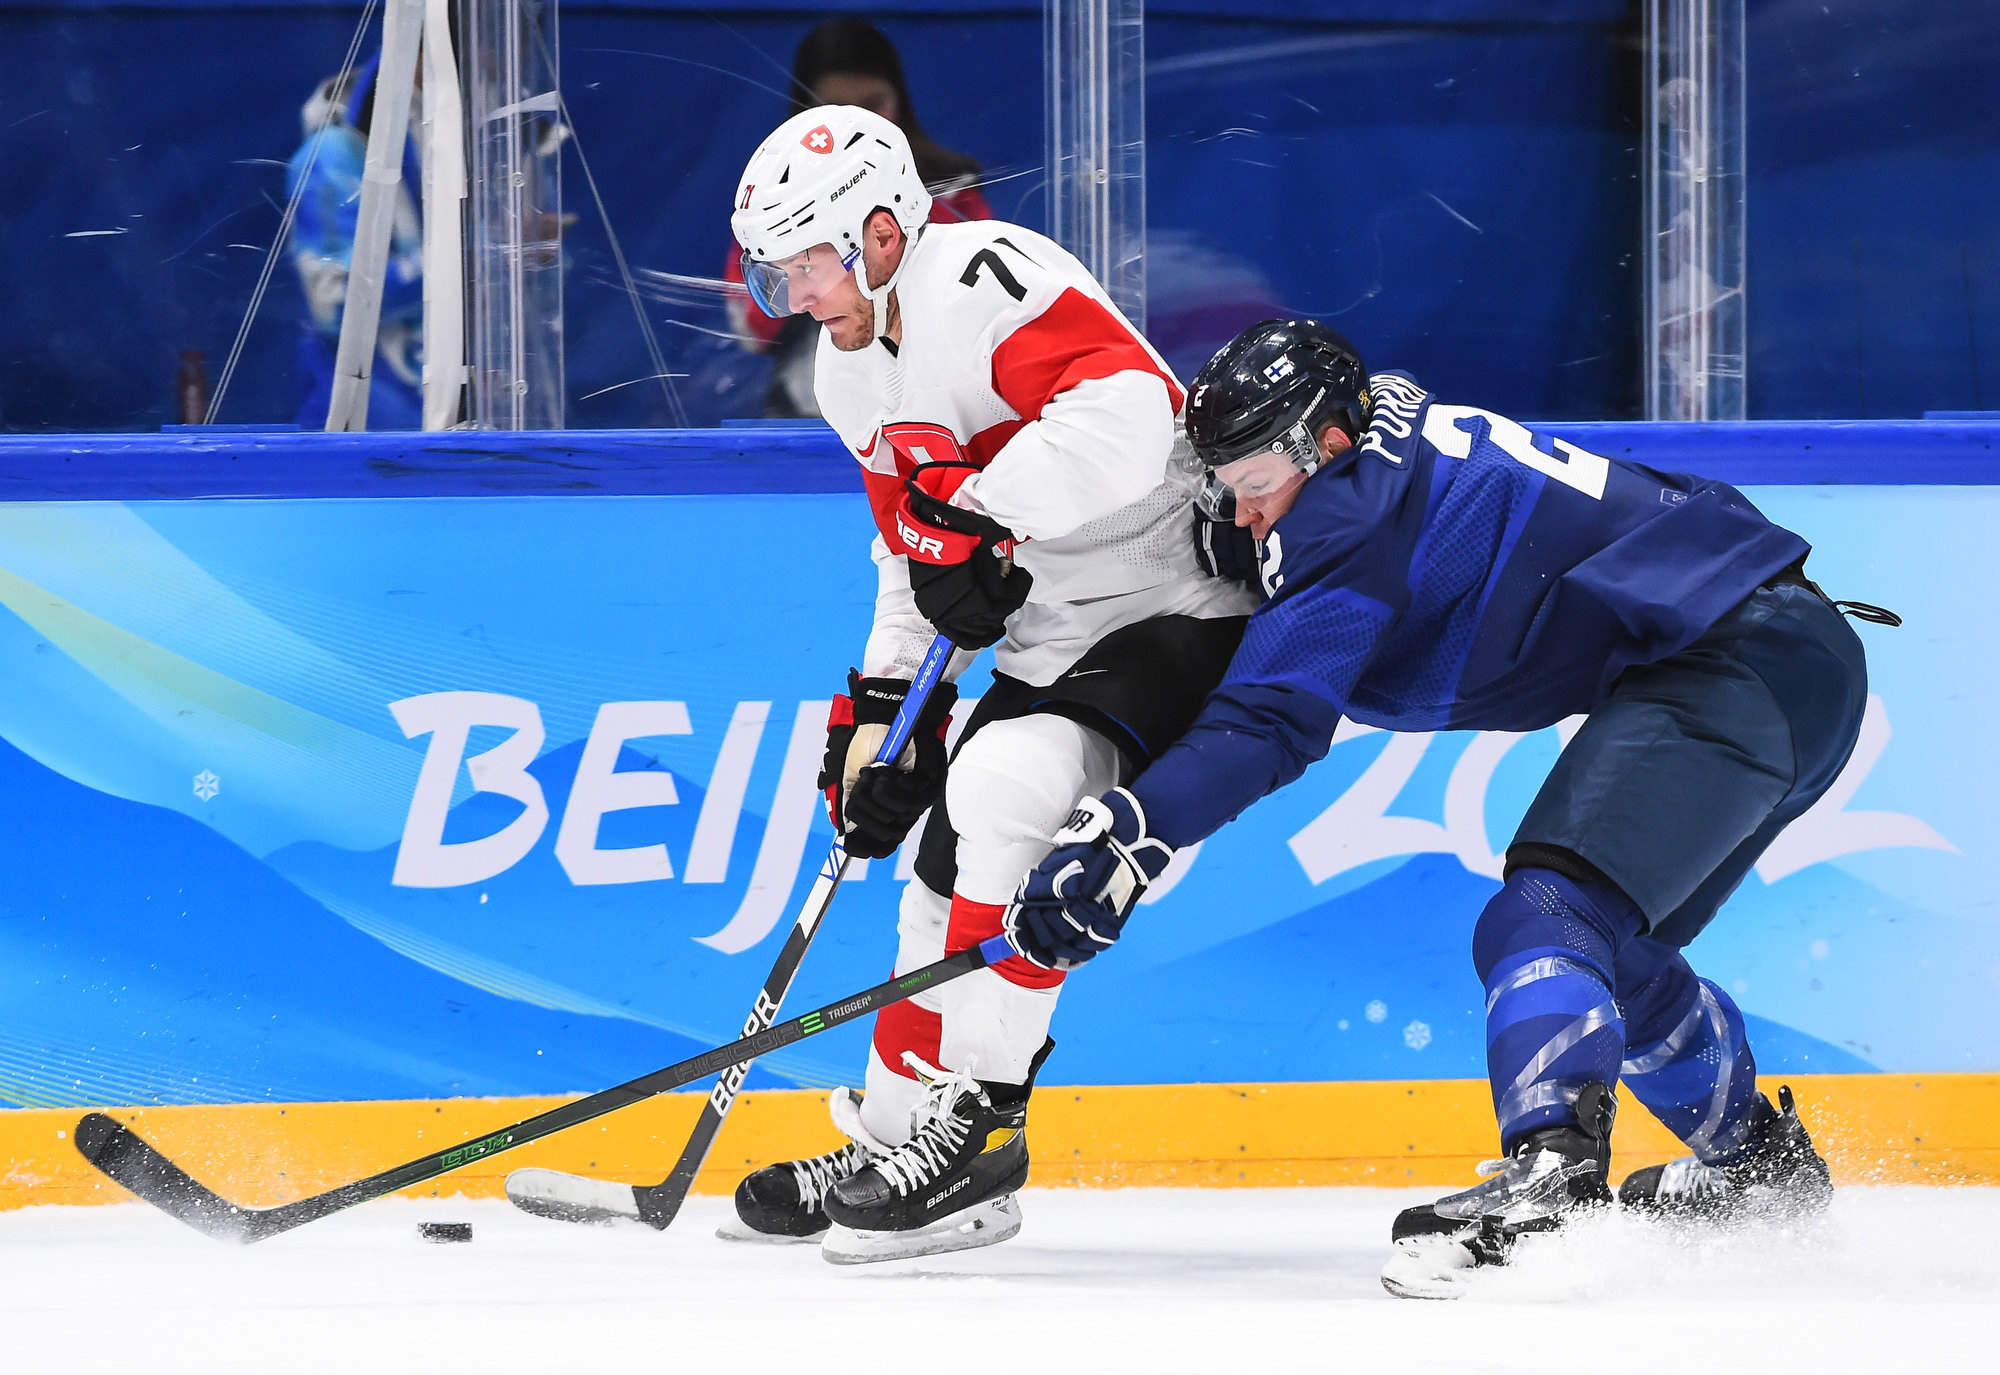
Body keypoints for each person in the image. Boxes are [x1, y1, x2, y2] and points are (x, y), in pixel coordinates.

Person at [1005, 319, 1900, 1296]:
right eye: (1229, 487)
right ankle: (1758, 1172)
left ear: (1326, 445)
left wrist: (1125, 831)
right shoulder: (1387, 448)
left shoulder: (1342, 514)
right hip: (1787, 653)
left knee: (1540, 917)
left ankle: (1549, 1175)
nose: (1248, 515)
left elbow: (1268, 721)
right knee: (1613, 953)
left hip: (1729, 660)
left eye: (1257, 481)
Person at [721, 104, 1254, 1263]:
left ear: (875, 229)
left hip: (1175, 599)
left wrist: (975, 521)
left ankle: (986, 1138)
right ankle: (897, 1135)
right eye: (774, 274)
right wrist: (880, 714)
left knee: (1004, 787)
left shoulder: (985, 276)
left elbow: (1127, 417)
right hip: (1052, 630)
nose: (793, 292)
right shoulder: (846, 373)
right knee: (941, 861)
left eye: (803, 262)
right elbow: (911, 556)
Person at [724, 17, 994, 419]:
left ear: (899, 100)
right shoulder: (775, 202)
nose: (854, 123)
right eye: (833, 108)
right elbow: (750, 327)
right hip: (808, 415)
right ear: (804, 112)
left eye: (872, 105)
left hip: (936, 406)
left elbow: (978, 308)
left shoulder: (948, 190)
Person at [286, 59, 425, 430]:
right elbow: (337, 303)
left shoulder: (479, 134)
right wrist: (457, 260)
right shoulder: (334, 151)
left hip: (458, 425)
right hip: (368, 429)